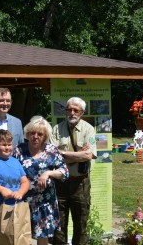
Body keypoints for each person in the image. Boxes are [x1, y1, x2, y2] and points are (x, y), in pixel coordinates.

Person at [13, 116, 69, 245]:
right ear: (27, 134)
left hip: (44, 201)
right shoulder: (19, 149)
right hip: (23, 199)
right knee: (22, 234)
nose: (35, 136)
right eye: (32, 133)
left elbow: (64, 171)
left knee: (42, 237)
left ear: (45, 136)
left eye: (40, 134)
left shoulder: (51, 150)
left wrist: (48, 173)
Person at [50, 97, 97, 245]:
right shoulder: (56, 129)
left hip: (81, 183)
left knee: (81, 223)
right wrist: (78, 156)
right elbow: (52, 157)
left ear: (82, 112)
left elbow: (88, 155)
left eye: (75, 110)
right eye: (69, 109)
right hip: (60, 183)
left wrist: (63, 154)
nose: (72, 112)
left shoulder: (89, 129)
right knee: (59, 224)